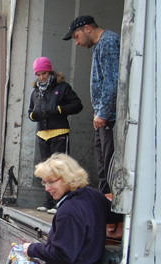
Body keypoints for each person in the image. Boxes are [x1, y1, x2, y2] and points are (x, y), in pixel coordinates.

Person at [63, 15, 120, 194]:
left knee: (109, 164)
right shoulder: (99, 46)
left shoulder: (108, 42)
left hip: (109, 117)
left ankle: (113, 215)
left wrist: (103, 112)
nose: (77, 43)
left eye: (76, 37)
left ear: (87, 28)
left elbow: (112, 81)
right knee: (102, 162)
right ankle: (105, 205)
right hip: (102, 116)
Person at [28, 56, 83, 213]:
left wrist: (59, 109)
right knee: (46, 171)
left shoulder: (63, 87)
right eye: (38, 74)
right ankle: (49, 202)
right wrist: (34, 115)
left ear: (50, 72)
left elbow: (77, 105)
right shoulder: (35, 92)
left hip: (59, 132)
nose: (41, 77)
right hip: (42, 134)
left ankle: (62, 202)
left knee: (61, 169)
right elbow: (30, 112)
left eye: (44, 73)